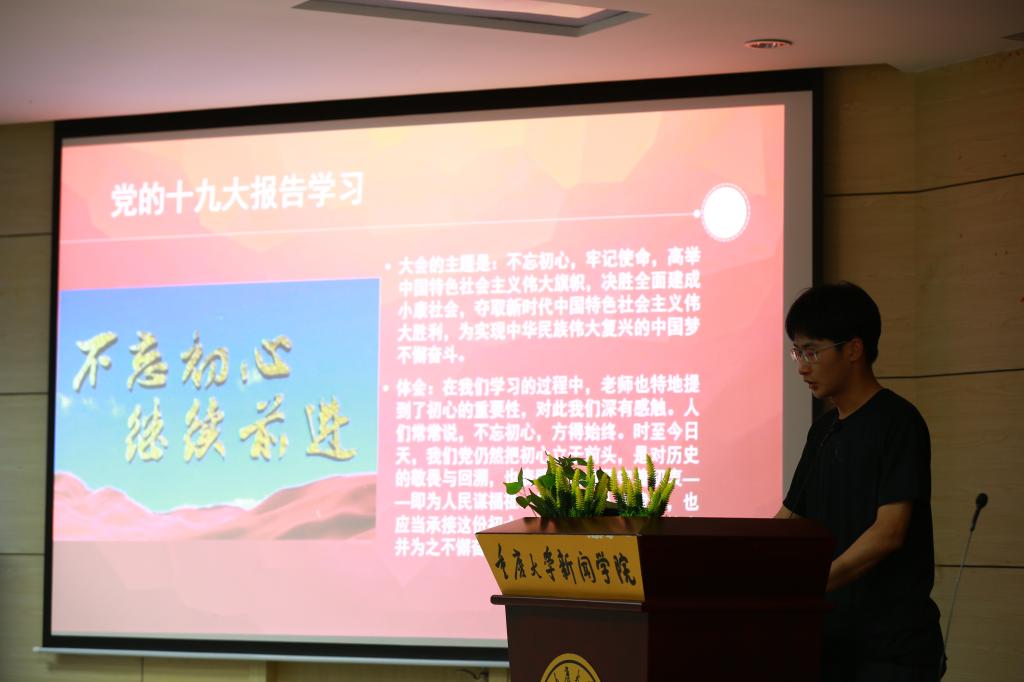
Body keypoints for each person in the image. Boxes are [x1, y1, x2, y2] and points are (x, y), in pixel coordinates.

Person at [775, 282, 943, 681]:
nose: (801, 367)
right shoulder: (823, 431)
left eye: (811, 352)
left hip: (892, 649)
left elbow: (889, 532)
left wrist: (810, 583)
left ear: (853, 349)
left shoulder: (898, 422)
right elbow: (790, 518)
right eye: (797, 352)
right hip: (832, 640)